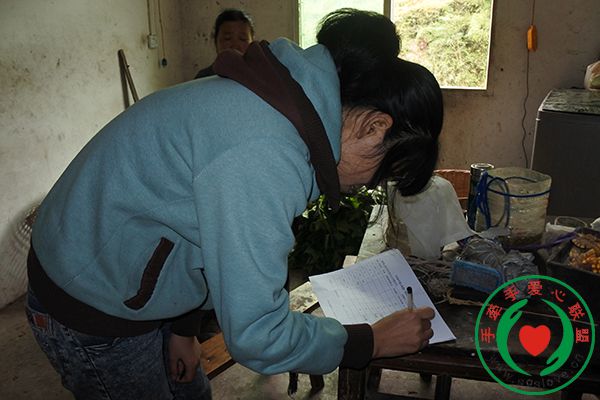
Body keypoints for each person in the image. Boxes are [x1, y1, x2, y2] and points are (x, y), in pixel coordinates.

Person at [26, 8, 443, 400]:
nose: (366, 186)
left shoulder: (282, 108)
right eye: (382, 173)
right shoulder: (265, 150)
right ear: (374, 127)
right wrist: (371, 341)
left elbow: (197, 223)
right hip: (92, 301)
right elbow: (259, 336)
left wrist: (183, 328)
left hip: (141, 280)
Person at [194, 8, 255, 79]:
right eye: (227, 39)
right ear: (216, 42)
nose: (235, 46)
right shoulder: (204, 78)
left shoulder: (260, 76)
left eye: (242, 39)